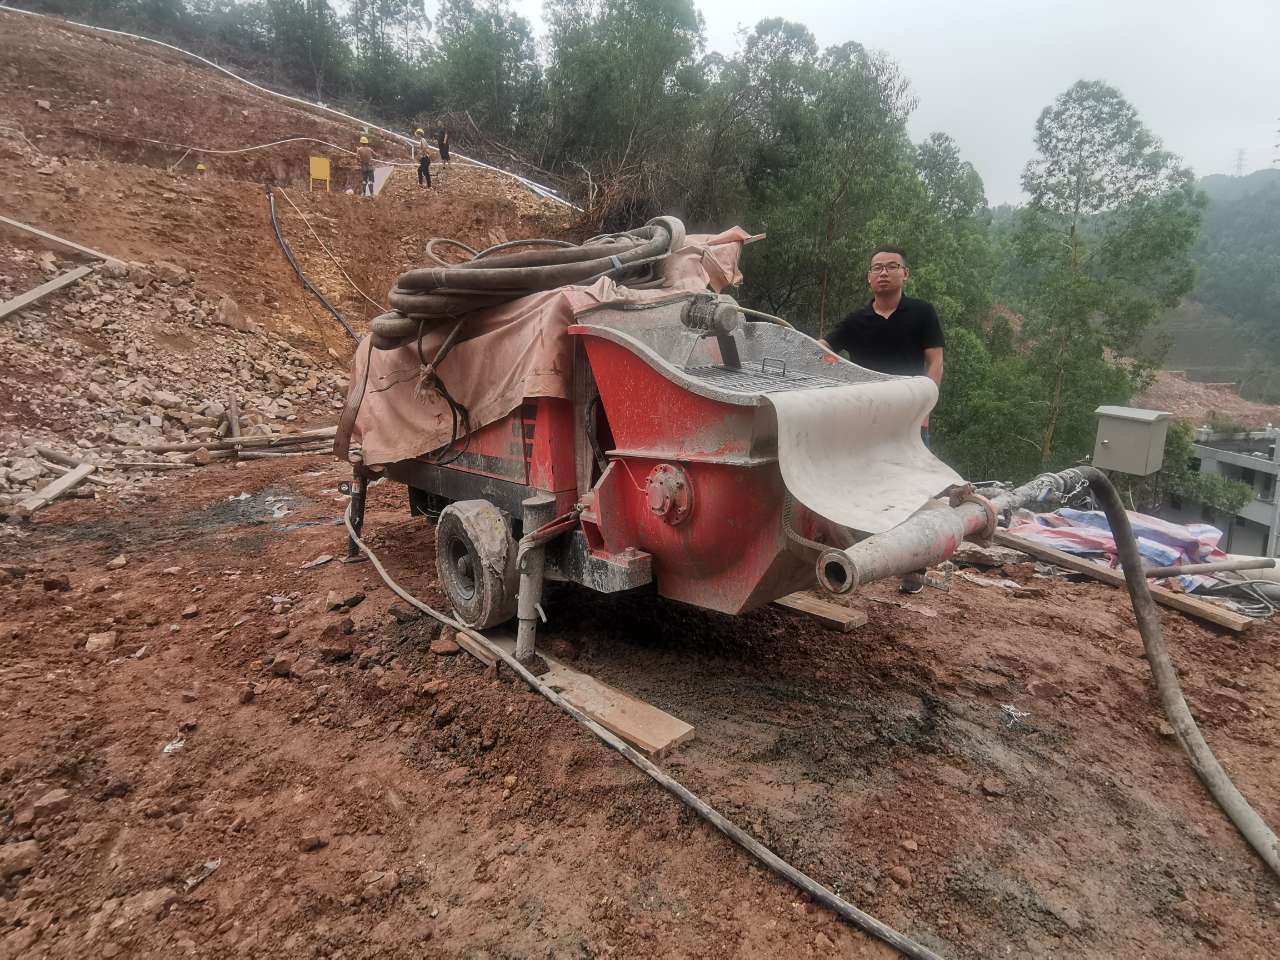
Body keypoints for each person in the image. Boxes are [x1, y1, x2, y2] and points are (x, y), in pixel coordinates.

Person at [820, 245, 945, 592]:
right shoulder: (856, 320)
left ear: (905, 273)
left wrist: (924, 407)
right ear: (868, 277)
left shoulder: (922, 313)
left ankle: (914, 570)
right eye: (877, 268)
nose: (884, 273)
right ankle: (855, 557)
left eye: (892, 266)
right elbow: (822, 349)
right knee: (857, 484)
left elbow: (935, 361)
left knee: (912, 492)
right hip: (865, 418)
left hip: (908, 418)